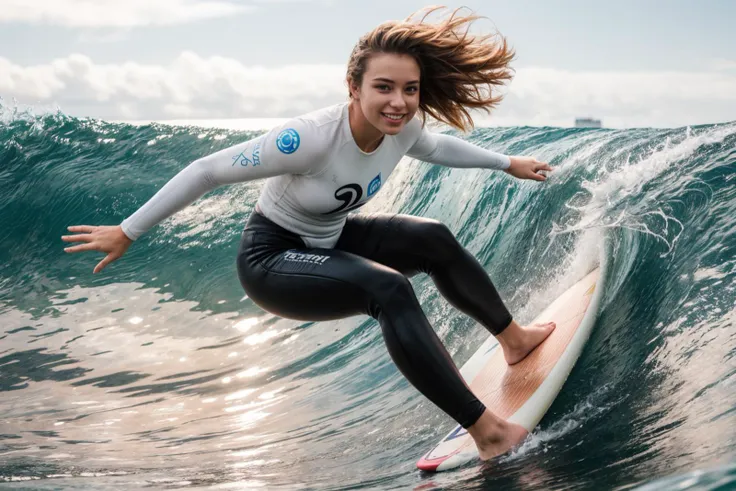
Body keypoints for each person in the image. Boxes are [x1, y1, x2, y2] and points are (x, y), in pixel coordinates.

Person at [62, 7, 556, 461]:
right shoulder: (309, 138)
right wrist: (128, 230)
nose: (399, 102)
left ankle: (513, 340)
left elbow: (437, 147)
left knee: (432, 238)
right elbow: (207, 169)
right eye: (384, 87)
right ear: (353, 86)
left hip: (330, 235)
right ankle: (486, 432)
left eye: (410, 89)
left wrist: (506, 162)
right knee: (390, 288)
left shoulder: (403, 126)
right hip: (272, 261)